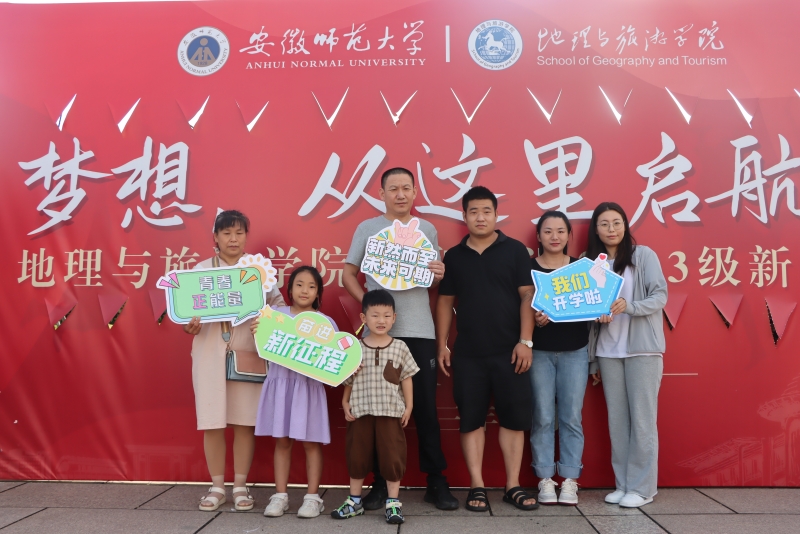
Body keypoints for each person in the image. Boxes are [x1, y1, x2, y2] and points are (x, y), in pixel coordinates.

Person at [342, 167, 458, 510]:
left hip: (419, 331)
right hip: (379, 336)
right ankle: (380, 483)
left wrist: (439, 273)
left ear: (414, 192)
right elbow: (348, 273)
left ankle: (435, 480)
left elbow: (429, 279)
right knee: (381, 412)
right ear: (382, 194)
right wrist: (369, 304)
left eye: (407, 188)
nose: (401, 194)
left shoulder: (427, 229)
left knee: (424, 408)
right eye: (393, 188)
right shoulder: (368, 228)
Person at [436, 186, 539, 512]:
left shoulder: (515, 251)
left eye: (486, 211)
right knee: (471, 420)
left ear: (496, 215)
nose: (480, 217)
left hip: (511, 352)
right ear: (464, 216)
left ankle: (512, 485)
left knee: (513, 419)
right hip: (468, 354)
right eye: (474, 212)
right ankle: (476, 486)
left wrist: (525, 341)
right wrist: (443, 344)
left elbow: (528, 296)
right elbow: (445, 302)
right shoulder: (454, 256)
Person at [183, 210, 285, 512]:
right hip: (209, 354)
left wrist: (267, 319)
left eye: (239, 233)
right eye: (226, 233)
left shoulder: (258, 271)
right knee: (212, 422)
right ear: (215, 236)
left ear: (246, 237)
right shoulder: (200, 271)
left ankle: (240, 486)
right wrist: (189, 325)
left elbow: (279, 305)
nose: (233, 239)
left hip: (248, 353)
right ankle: (217, 487)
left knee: (244, 422)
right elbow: (186, 312)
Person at [586, 202, 668, 508]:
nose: (611, 229)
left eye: (616, 222)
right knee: (617, 423)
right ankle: (623, 485)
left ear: (625, 225)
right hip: (608, 353)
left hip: (642, 351)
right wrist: (594, 357)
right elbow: (585, 313)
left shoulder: (642, 255)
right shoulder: (589, 264)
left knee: (643, 421)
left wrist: (629, 306)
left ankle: (643, 488)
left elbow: (660, 295)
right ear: (595, 229)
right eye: (604, 224)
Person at [252, 266, 336, 519]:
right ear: (289, 289)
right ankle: (280, 496)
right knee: (282, 441)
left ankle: (312, 498)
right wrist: (258, 330)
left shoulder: (325, 323)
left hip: (308, 388)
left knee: (311, 442)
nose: (304, 290)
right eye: (299, 284)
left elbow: (334, 360)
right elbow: (262, 344)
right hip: (281, 384)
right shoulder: (275, 315)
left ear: (318, 293)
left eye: (311, 286)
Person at [331, 290, 419, 525]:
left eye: (387, 316)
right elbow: (348, 379)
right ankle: (354, 501)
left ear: (394, 318)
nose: (381, 320)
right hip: (360, 411)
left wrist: (409, 405)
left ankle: (393, 503)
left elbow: (407, 377)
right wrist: (345, 401)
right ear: (363, 318)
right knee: (357, 455)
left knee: (392, 457)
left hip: (390, 411)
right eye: (375, 315)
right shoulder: (355, 348)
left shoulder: (400, 347)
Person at [529, 211, 592, 506]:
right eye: (548, 231)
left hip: (575, 352)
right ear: (538, 236)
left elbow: (594, 304)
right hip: (538, 352)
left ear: (569, 235)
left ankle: (569, 479)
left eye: (560, 231)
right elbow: (518, 307)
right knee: (542, 416)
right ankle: (544, 478)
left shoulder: (582, 269)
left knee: (571, 416)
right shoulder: (528, 268)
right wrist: (534, 319)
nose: (554, 236)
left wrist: (604, 309)